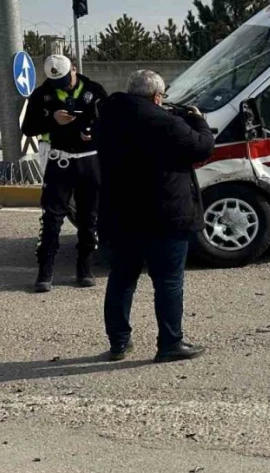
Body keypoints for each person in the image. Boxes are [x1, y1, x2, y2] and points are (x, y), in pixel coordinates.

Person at [95, 70, 215, 363]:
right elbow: (202, 146)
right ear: (158, 97)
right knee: (168, 281)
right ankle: (170, 343)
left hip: (120, 214)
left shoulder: (107, 118)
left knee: (122, 279)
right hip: (164, 215)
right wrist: (197, 119)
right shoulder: (164, 122)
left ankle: (119, 343)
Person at [20, 54, 108, 292]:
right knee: (51, 219)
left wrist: (94, 133)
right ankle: (45, 273)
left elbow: (110, 123)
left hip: (89, 162)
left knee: (89, 218)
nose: (64, 86)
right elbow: (27, 128)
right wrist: (52, 121)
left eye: (67, 80)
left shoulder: (94, 90)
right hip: (59, 162)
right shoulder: (41, 94)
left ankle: (84, 269)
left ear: (74, 69)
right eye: (58, 83)